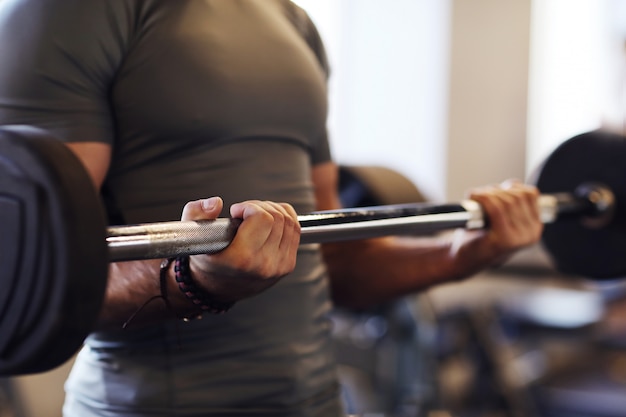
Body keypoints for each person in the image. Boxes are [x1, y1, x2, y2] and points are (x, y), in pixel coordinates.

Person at [0, 0, 543, 416]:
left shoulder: (290, 19)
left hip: (317, 401)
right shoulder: (72, 12)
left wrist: (470, 252)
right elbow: (30, 278)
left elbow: (336, 263)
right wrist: (196, 282)